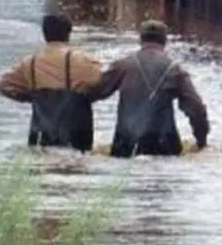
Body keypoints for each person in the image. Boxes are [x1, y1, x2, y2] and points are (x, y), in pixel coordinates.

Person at [89, 20, 210, 158]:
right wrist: (201, 142)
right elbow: (196, 108)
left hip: (125, 144)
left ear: (141, 40)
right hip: (165, 146)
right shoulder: (175, 70)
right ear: (164, 42)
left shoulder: (123, 66)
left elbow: (92, 93)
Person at [0, 12, 103, 152]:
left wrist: (31, 97)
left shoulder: (30, 62)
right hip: (75, 134)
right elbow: (101, 83)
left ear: (44, 34)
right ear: (68, 33)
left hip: (41, 133)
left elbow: (3, 85)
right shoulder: (84, 61)